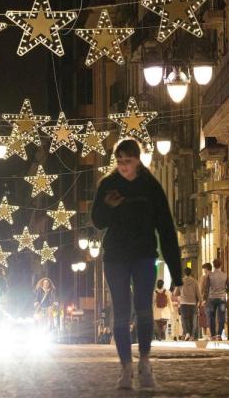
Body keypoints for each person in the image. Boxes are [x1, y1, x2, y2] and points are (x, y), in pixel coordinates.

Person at [92, 139, 182, 390]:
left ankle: (144, 362)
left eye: (128, 162)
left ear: (138, 160)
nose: (123, 167)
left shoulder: (150, 187)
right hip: (115, 256)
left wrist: (177, 274)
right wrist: (108, 207)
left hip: (143, 255)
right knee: (120, 311)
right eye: (119, 162)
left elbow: (166, 229)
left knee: (143, 308)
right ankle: (125, 367)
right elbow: (97, 221)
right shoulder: (108, 185)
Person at [203, 259, 229, 341]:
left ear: (214, 265)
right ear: (221, 265)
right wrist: (224, 291)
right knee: (221, 316)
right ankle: (219, 334)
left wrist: (205, 298)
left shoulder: (210, 276)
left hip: (212, 298)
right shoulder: (225, 275)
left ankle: (213, 335)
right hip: (222, 298)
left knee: (211, 316)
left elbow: (207, 288)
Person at [178, 266, 201, 340]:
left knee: (184, 319)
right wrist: (200, 301)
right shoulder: (195, 281)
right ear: (191, 273)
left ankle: (187, 333)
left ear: (184, 273)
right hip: (192, 303)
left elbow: (175, 292)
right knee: (193, 320)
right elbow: (198, 293)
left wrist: (181, 292)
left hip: (183, 303)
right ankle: (192, 336)